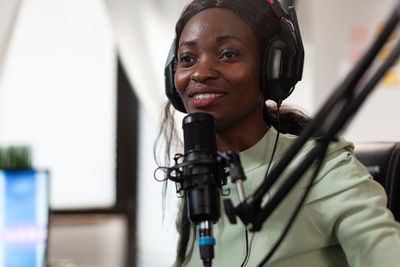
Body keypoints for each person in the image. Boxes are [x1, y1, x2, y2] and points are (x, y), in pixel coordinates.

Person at [155, 0, 400, 266]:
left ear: (273, 67)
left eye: (228, 54)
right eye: (187, 59)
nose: (200, 73)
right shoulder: (197, 178)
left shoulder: (322, 169)